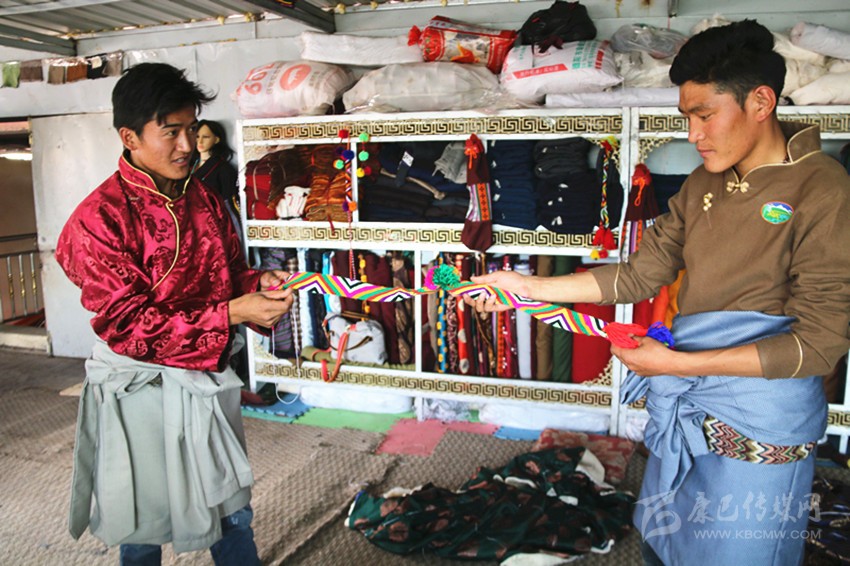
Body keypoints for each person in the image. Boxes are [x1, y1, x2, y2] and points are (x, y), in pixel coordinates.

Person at [467, 20, 850, 566]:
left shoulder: (824, 188)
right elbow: (639, 275)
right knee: (668, 537)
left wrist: (675, 365)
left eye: (705, 115)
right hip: (689, 391)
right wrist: (525, 287)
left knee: (740, 551)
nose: (693, 134)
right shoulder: (703, 183)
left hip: (761, 414)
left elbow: (817, 345)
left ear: (761, 102)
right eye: (686, 117)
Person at [56, 62, 293, 565]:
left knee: (232, 511)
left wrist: (257, 285)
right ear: (130, 137)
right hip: (140, 390)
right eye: (171, 132)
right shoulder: (97, 220)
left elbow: (231, 274)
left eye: (191, 129)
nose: (187, 145)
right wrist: (230, 314)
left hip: (207, 380)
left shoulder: (204, 198)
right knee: (142, 521)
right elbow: (128, 327)